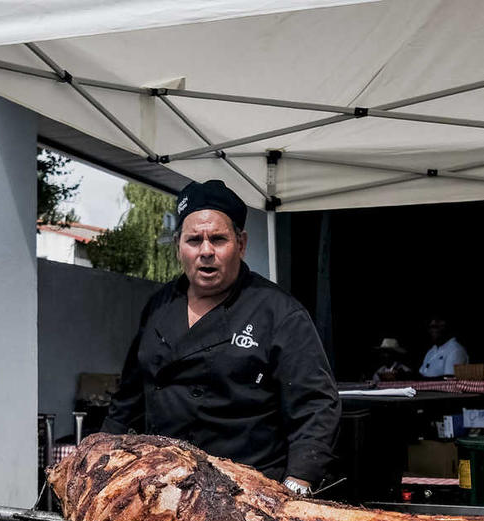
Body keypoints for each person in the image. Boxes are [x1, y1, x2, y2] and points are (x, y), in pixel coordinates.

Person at [102, 179, 340, 494]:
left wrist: (298, 482)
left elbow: (316, 404)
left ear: (240, 244)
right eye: (193, 240)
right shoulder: (159, 306)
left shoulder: (278, 312)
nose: (206, 252)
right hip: (166, 486)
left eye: (218, 239)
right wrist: (101, 458)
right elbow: (129, 398)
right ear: (178, 246)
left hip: (246, 492)